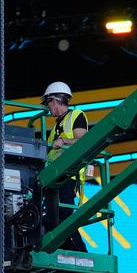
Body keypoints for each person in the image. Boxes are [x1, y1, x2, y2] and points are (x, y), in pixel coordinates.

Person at [42, 81, 87, 252]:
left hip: (69, 174)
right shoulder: (56, 127)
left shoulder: (76, 116)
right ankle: (60, 250)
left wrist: (64, 141)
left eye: (48, 102)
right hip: (55, 177)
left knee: (63, 214)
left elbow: (84, 142)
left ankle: (80, 252)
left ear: (56, 100)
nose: (48, 107)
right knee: (53, 217)